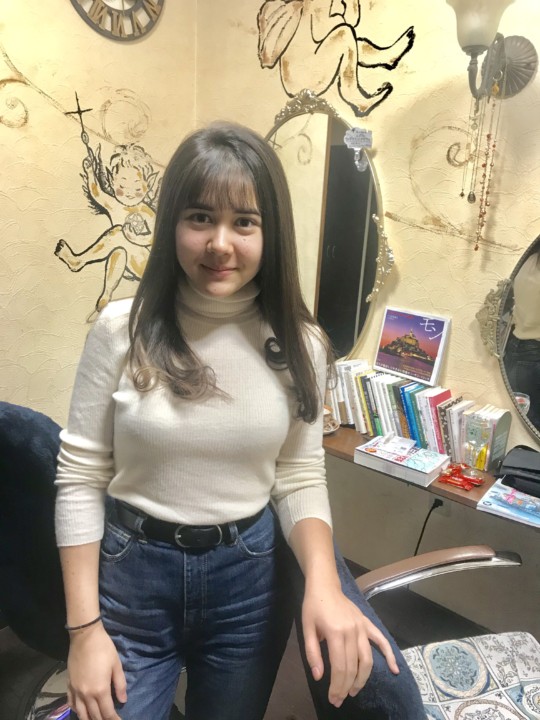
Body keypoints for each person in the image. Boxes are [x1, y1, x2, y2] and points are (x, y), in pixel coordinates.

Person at [54, 121, 424, 720]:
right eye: (200, 217)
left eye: (244, 222)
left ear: (270, 233)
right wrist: (83, 632)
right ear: (172, 223)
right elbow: (79, 477)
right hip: (133, 577)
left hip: (247, 584)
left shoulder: (302, 344)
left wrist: (325, 585)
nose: (220, 244)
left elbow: (298, 473)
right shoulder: (121, 329)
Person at [503, 248, 540, 431]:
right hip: (532, 356)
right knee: (531, 425)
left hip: (516, 346)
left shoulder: (528, 259)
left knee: (524, 424)